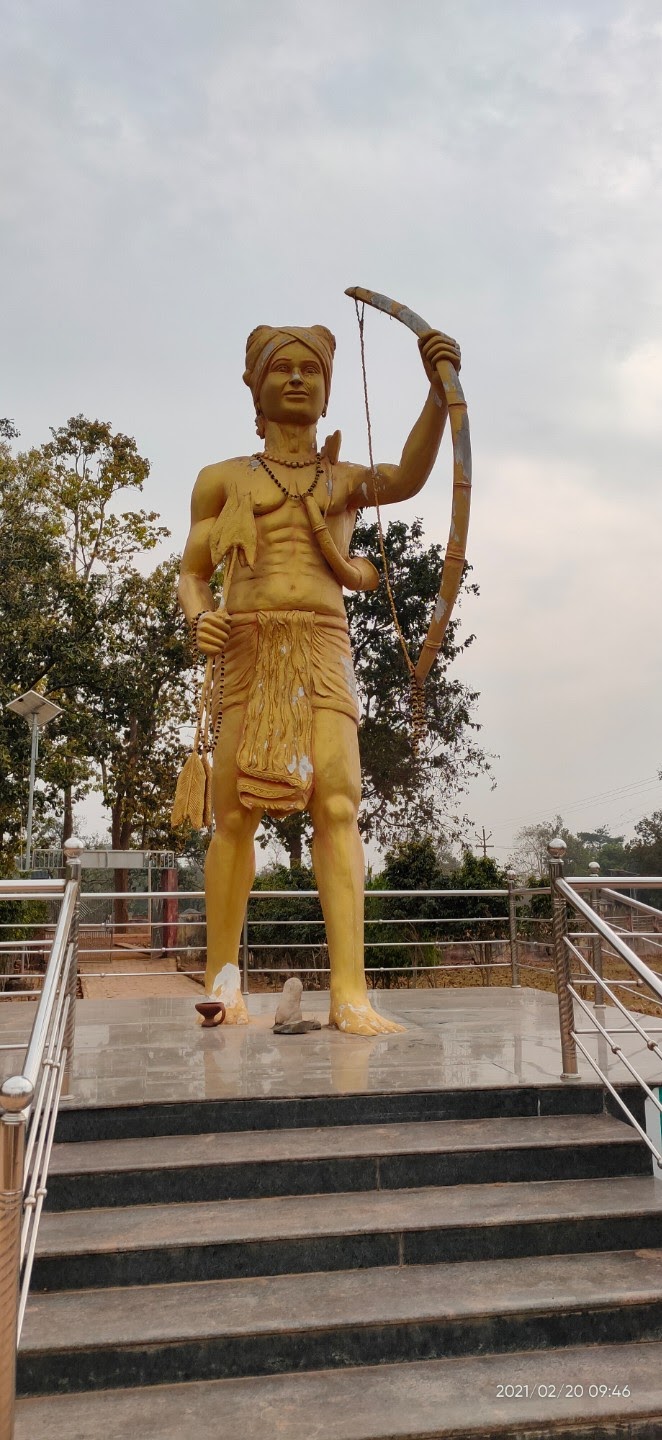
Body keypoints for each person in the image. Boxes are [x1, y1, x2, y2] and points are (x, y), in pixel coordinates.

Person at [178, 320, 460, 1034]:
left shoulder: (343, 481)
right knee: (234, 814)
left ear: (329, 388)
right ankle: (223, 985)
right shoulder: (221, 480)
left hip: (324, 649)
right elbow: (192, 571)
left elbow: (407, 476)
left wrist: (437, 396)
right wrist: (197, 617)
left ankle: (350, 992)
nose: (298, 378)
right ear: (256, 383)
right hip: (247, 647)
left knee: (337, 805)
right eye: (283, 368)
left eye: (312, 369)